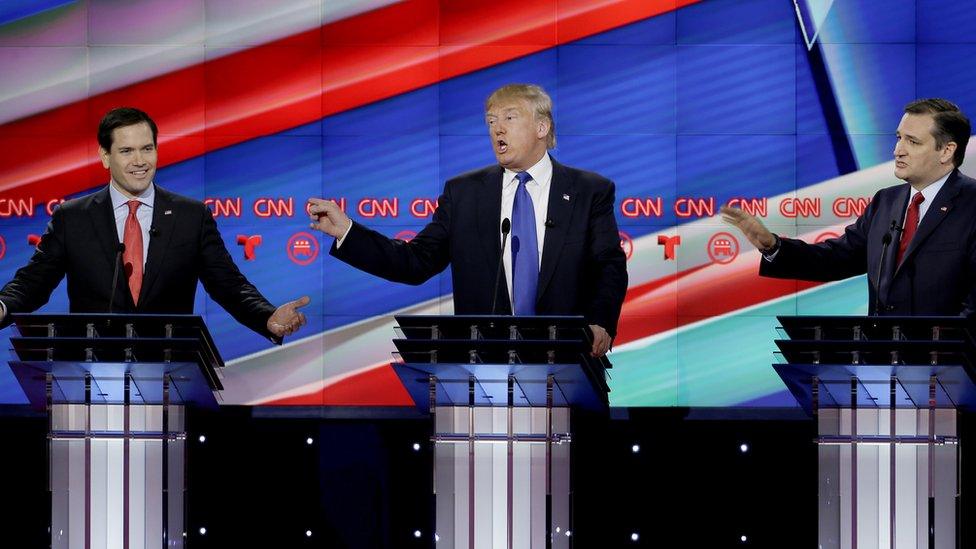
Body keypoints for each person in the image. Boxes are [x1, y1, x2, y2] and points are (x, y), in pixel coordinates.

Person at [308, 84, 628, 356]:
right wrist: (347, 231)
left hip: (569, 361)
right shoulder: (464, 193)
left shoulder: (589, 191)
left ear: (542, 127)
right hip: (485, 368)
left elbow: (609, 265)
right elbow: (415, 261)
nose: (496, 128)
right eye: (490, 121)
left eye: (509, 118)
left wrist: (600, 321)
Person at [0, 107, 308, 341]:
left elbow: (229, 285)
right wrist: (2, 306)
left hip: (168, 371)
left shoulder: (191, 216)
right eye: (126, 151)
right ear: (105, 157)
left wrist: (267, 316)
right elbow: (32, 284)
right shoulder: (73, 217)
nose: (140, 160)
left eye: (147, 148)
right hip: (90, 371)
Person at [721, 98, 976, 316]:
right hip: (883, 362)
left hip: (949, 365)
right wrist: (773, 247)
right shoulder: (886, 202)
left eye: (913, 142)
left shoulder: (971, 203)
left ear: (946, 151)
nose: (898, 150)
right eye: (899, 138)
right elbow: (835, 259)